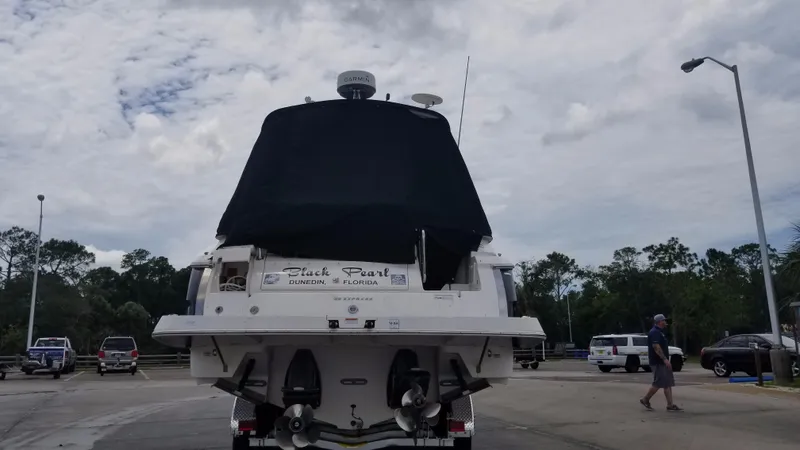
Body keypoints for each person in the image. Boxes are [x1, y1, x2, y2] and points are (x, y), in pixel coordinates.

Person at [640, 314, 683, 411]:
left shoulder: (660, 332)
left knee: (667, 383)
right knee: (658, 383)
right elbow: (656, 347)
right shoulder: (654, 332)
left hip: (662, 362)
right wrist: (664, 359)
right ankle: (645, 399)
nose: (665, 322)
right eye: (664, 320)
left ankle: (670, 405)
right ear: (660, 322)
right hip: (658, 362)